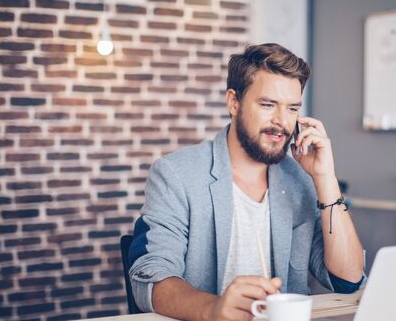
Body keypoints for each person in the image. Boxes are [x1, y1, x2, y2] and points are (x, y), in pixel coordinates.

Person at [129, 43, 364, 321]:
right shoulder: (176, 174)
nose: (281, 122)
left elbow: (348, 280)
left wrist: (325, 178)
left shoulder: (300, 178)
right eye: (267, 105)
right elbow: (151, 279)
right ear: (233, 102)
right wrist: (212, 309)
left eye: (292, 109)